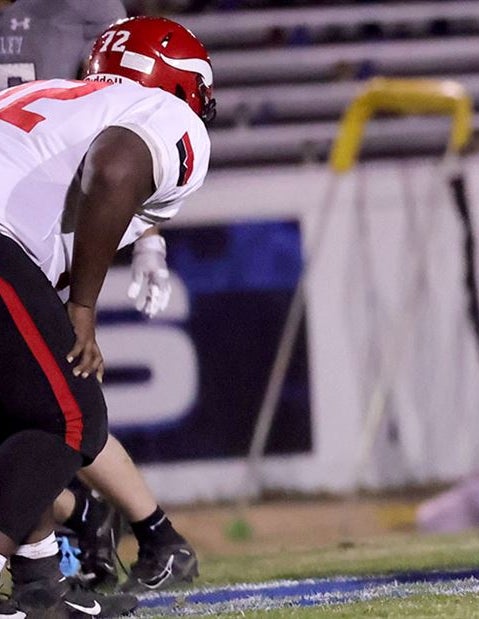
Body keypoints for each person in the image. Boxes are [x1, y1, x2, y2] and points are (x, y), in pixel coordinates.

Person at [0, 14, 213, 615]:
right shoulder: (162, 113)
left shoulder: (43, 99)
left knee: (20, 416)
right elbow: (118, 167)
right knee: (73, 419)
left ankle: (40, 584)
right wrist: (85, 306)